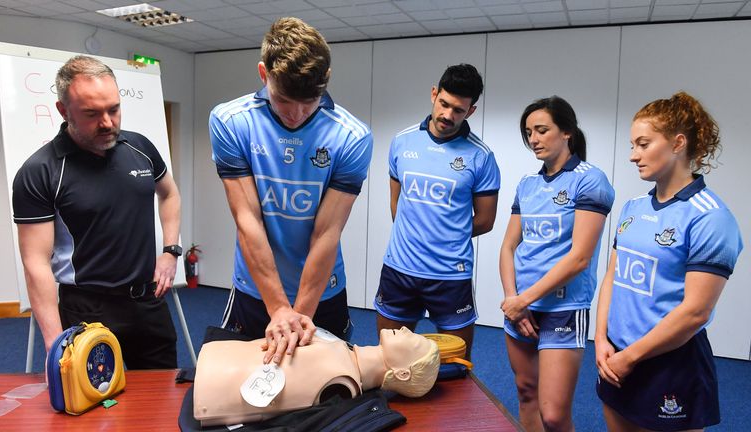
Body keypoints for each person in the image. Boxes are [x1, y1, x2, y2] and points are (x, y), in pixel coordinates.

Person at [209, 17, 373, 365]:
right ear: (263, 73)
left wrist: (298, 317)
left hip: (321, 293)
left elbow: (327, 232)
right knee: (245, 393)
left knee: (328, 397)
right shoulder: (231, 122)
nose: (296, 115)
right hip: (255, 291)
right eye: (284, 100)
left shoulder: (351, 137)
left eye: (309, 102)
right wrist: (278, 308)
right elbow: (247, 218)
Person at [12, 55, 182, 369]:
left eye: (113, 109)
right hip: (88, 308)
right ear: (63, 110)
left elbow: (169, 193)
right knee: (94, 407)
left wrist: (171, 251)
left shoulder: (140, 147)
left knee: (162, 400)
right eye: (91, 114)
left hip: (147, 301)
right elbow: (35, 262)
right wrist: (55, 345)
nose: (107, 123)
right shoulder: (42, 171)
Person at [595, 92, 743, 431]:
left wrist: (629, 357)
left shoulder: (710, 217)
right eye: (632, 145)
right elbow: (612, 277)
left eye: (643, 144)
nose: (633, 155)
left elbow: (695, 312)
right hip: (615, 355)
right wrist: (601, 339)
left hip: (669, 363)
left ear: (678, 143)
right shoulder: (633, 207)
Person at [499, 96, 614, 431]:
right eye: (528, 132)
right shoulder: (528, 184)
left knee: (553, 414)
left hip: (563, 307)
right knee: (525, 393)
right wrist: (512, 300)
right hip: (519, 307)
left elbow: (579, 257)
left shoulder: (590, 179)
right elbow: (508, 246)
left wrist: (524, 299)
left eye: (541, 130)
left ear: (566, 132)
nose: (533, 139)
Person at [373, 64, 499, 360]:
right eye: (444, 104)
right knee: (389, 361)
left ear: (471, 111)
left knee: (456, 365)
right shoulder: (402, 142)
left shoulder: (481, 156)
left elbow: (485, 219)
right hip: (400, 269)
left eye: (458, 110)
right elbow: (397, 204)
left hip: (450, 276)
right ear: (433, 94)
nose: (447, 115)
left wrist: (445, 235)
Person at [193, 327, 439, 426]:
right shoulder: (344, 355)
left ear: (403, 372)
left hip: (210, 383)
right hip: (213, 369)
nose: (407, 329)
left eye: (415, 343)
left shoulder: (340, 377)